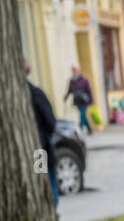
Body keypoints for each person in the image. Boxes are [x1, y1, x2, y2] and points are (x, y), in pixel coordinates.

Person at [26, 62, 58, 207]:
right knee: (47, 182)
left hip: (38, 149)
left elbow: (50, 122)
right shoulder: (35, 93)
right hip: (38, 148)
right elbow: (50, 121)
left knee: (43, 181)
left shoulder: (32, 94)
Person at [64, 65, 92, 134]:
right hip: (77, 100)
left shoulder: (84, 79)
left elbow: (89, 90)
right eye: (73, 70)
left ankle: (80, 130)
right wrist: (66, 97)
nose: (74, 72)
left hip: (84, 100)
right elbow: (69, 90)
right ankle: (90, 129)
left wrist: (91, 100)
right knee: (83, 116)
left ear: (78, 71)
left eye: (75, 70)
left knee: (82, 116)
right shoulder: (72, 80)